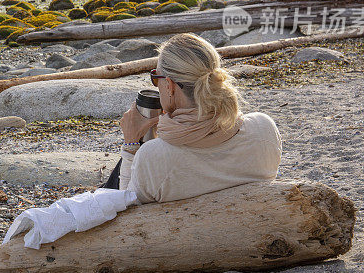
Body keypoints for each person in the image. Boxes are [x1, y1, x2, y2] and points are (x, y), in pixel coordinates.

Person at [107, 33, 281, 203]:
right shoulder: (263, 130)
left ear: (169, 86)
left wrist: (130, 146)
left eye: (155, 77)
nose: (156, 85)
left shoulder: (153, 158)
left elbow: (126, 213)